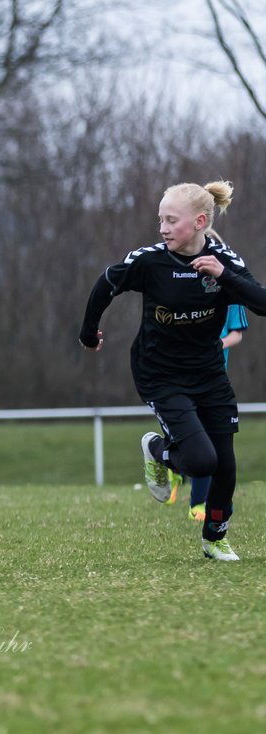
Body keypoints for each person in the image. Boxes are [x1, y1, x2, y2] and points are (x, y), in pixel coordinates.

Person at [79, 180, 266, 561]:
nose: (162, 228)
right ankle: (157, 448)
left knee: (225, 464)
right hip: (159, 373)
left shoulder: (224, 260)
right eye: (160, 219)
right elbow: (107, 283)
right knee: (201, 461)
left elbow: (261, 302)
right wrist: (87, 331)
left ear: (199, 221)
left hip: (209, 373)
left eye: (170, 220)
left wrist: (224, 277)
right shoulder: (151, 261)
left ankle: (214, 538)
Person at [172, 305, 247, 521]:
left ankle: (197, 504)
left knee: (209, 444)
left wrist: (216, 345)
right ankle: (172, 462)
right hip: (181, 374)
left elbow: (237, 334)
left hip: (214, 378)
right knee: (188, 435)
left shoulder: (232, 287)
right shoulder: (188, 287)